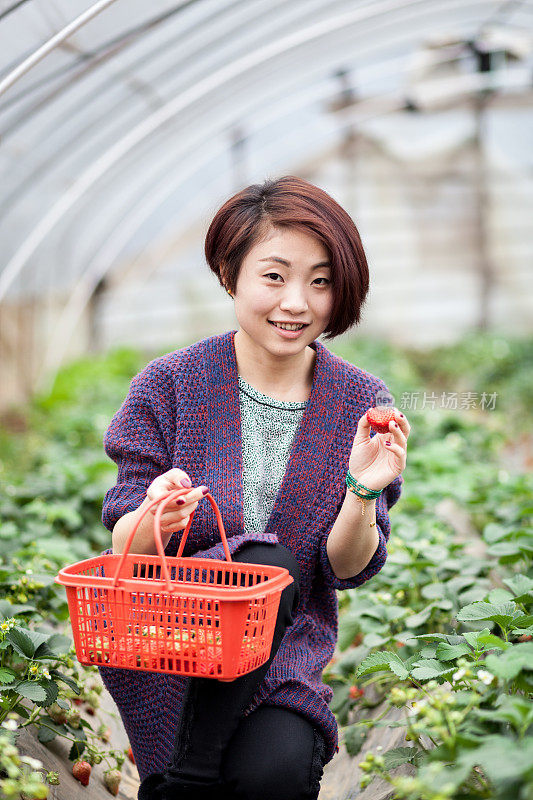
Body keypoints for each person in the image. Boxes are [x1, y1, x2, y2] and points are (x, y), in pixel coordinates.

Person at [98, 175, 410, 800]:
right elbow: (122, 545)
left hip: (282, 663)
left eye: (320, 281)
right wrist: (159, 511)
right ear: (229, 274)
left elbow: (347, 569)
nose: (297, 302)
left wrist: (361, 489)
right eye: (274, 276)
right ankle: (190, 768)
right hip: (176, 639)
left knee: (276, 774)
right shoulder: (171, 385)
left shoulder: (359, 401)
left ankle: (191, 776)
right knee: (264, 561)